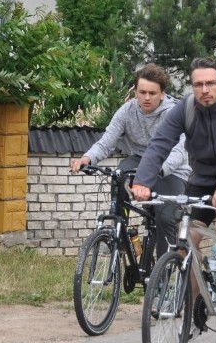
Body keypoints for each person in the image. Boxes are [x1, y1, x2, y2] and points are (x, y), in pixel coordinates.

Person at [130, 57, 216, 296]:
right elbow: (159, 145)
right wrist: (142, 181)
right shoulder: (185, 108)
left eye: (210, 83)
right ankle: (193, 310)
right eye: (198, 84)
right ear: (192, 87)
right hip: (203, 176)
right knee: (186, 241)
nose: (204, 90)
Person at [69, 63, 191, 255]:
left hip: (171, 169)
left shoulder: (173, 113)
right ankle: (120, 234)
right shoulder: (127, 111)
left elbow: (179, 151)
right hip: (140, 160)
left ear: (162, 93)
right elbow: (106, 142)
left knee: (165, 217)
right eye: (142, 92)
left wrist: (156, 171)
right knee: (119, 176)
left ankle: (163, 273)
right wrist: (87, 158)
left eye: (152, 93)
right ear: (135, 91)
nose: (147, 97)